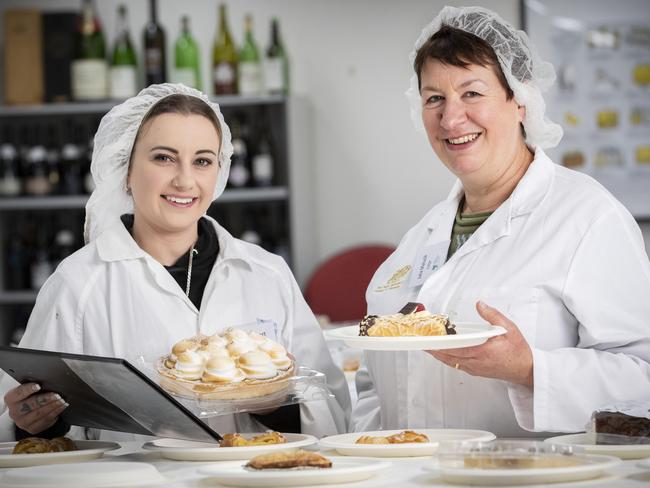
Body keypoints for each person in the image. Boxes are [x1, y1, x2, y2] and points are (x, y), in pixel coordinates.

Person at [351, 6, 650, 437]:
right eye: (434, 98)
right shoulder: (419, 240)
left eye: (472, 93)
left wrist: (531, 369)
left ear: (520, 101)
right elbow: (372, 388)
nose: (451, 119)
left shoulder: (588, 217)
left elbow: (642, 376)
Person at [0, 83, 350, 441]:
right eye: (163, 158)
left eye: (202, 161)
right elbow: (16, 417)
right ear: (125, 169)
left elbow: (335, 413)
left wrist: (275, 403)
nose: (185, 180)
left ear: (219, 171)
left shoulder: (267, 273)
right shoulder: (79, 284)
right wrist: (35, 420)